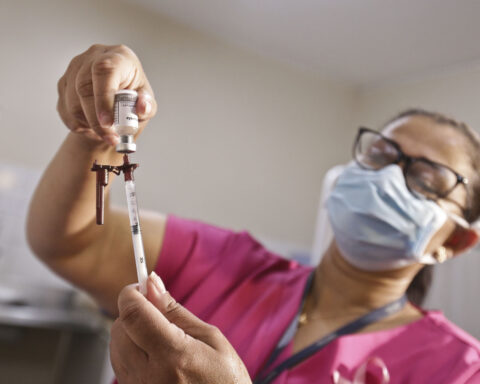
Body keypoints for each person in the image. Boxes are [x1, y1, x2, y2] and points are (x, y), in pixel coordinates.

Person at [26, 44, 480, 383]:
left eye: (427, 179)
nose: (389, 179)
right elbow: (69, 240)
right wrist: (99, 127)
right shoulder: (235, 266)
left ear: (454, 242)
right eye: (381, 154)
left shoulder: (460, 370)